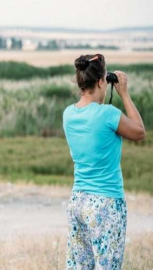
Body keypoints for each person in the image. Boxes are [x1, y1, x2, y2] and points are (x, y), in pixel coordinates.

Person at [63, 54, 145, 269]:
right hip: (106, 203)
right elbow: (139, 132)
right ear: (101, 81)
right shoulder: (108, 114)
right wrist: (124, 94)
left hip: (78, 201)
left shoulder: (68, 114)